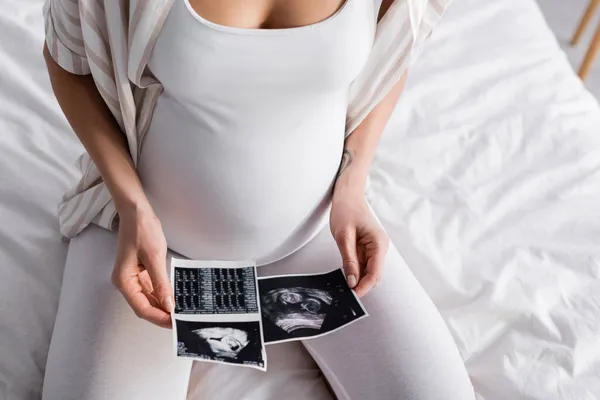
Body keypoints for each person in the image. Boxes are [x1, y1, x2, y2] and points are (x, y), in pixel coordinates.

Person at [41, 0, 476, 399]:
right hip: (149, 244)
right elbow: (68, 63)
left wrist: (353, 179)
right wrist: (132, 205)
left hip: (320, 233)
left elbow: (395, 50)